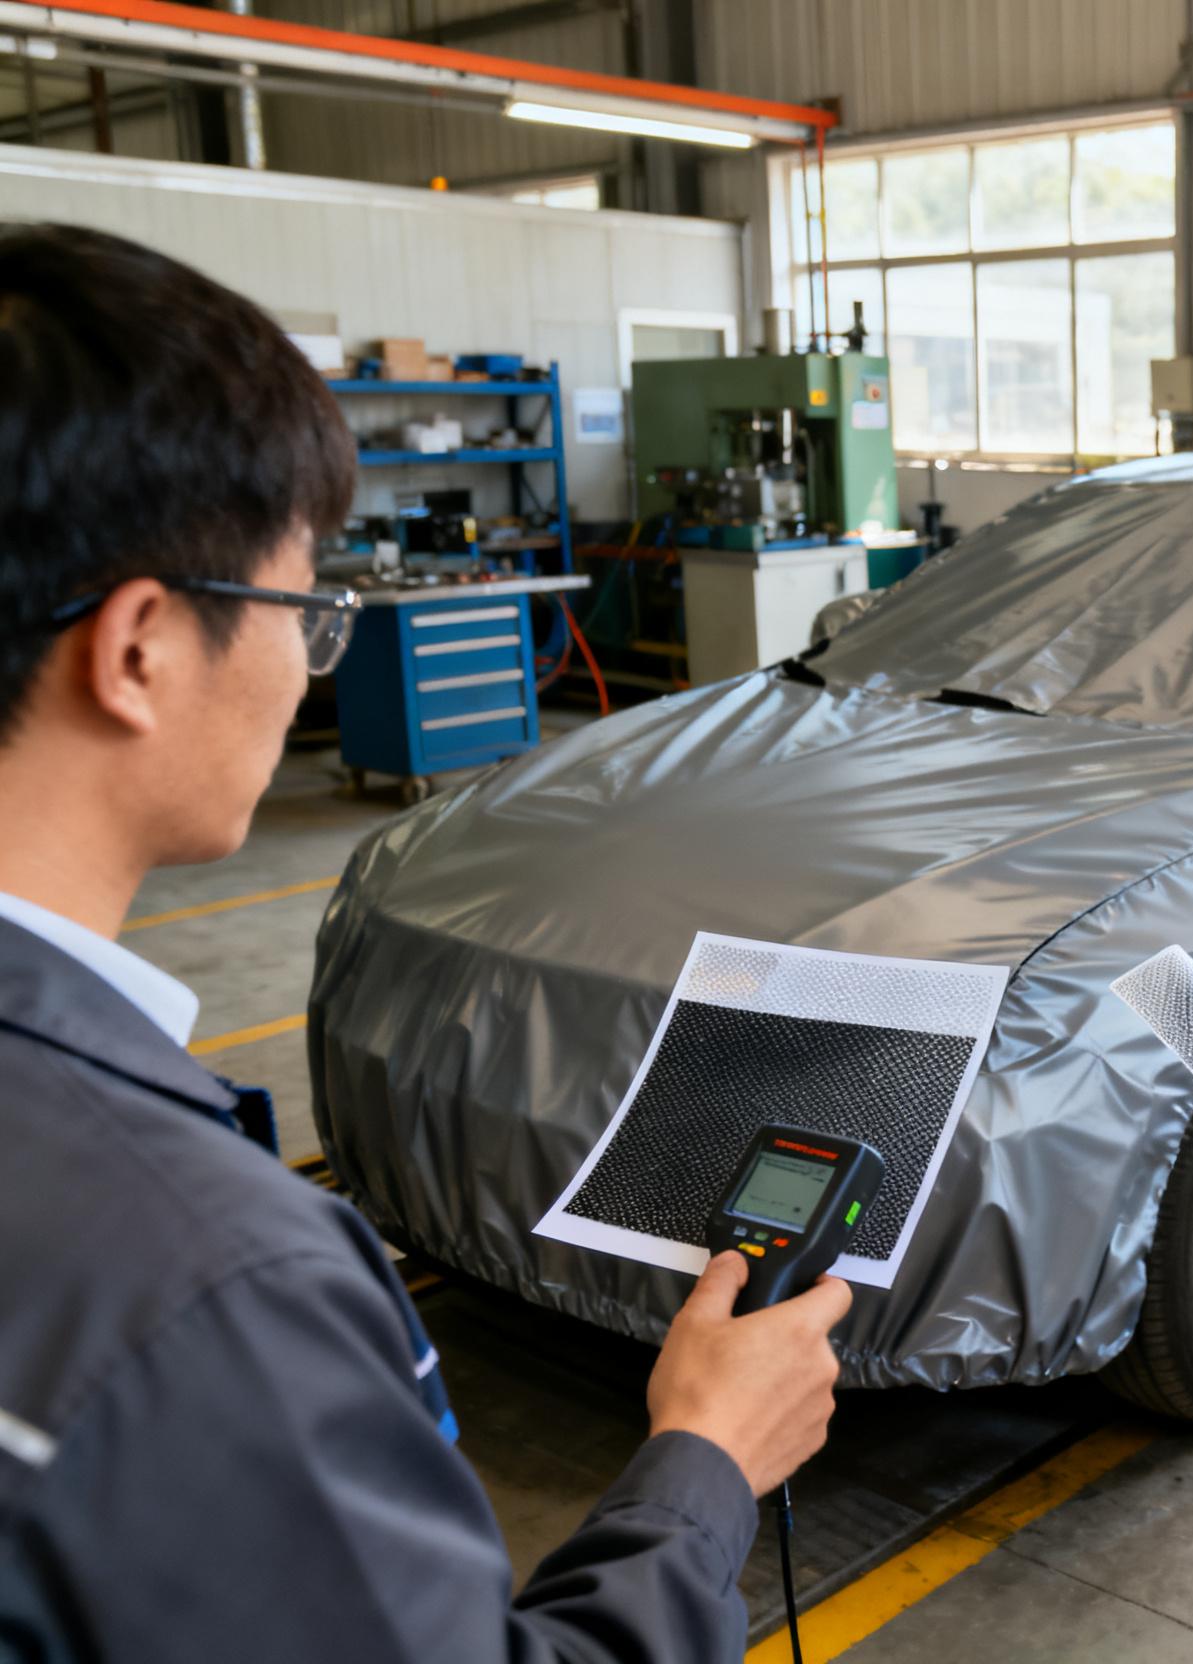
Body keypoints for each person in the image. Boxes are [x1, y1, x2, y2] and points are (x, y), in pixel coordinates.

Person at [0, 223, 852, 1662]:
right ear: (139, 647)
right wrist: (706, 1462)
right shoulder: (206, 1283)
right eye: (305, 603)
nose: (305, 655)